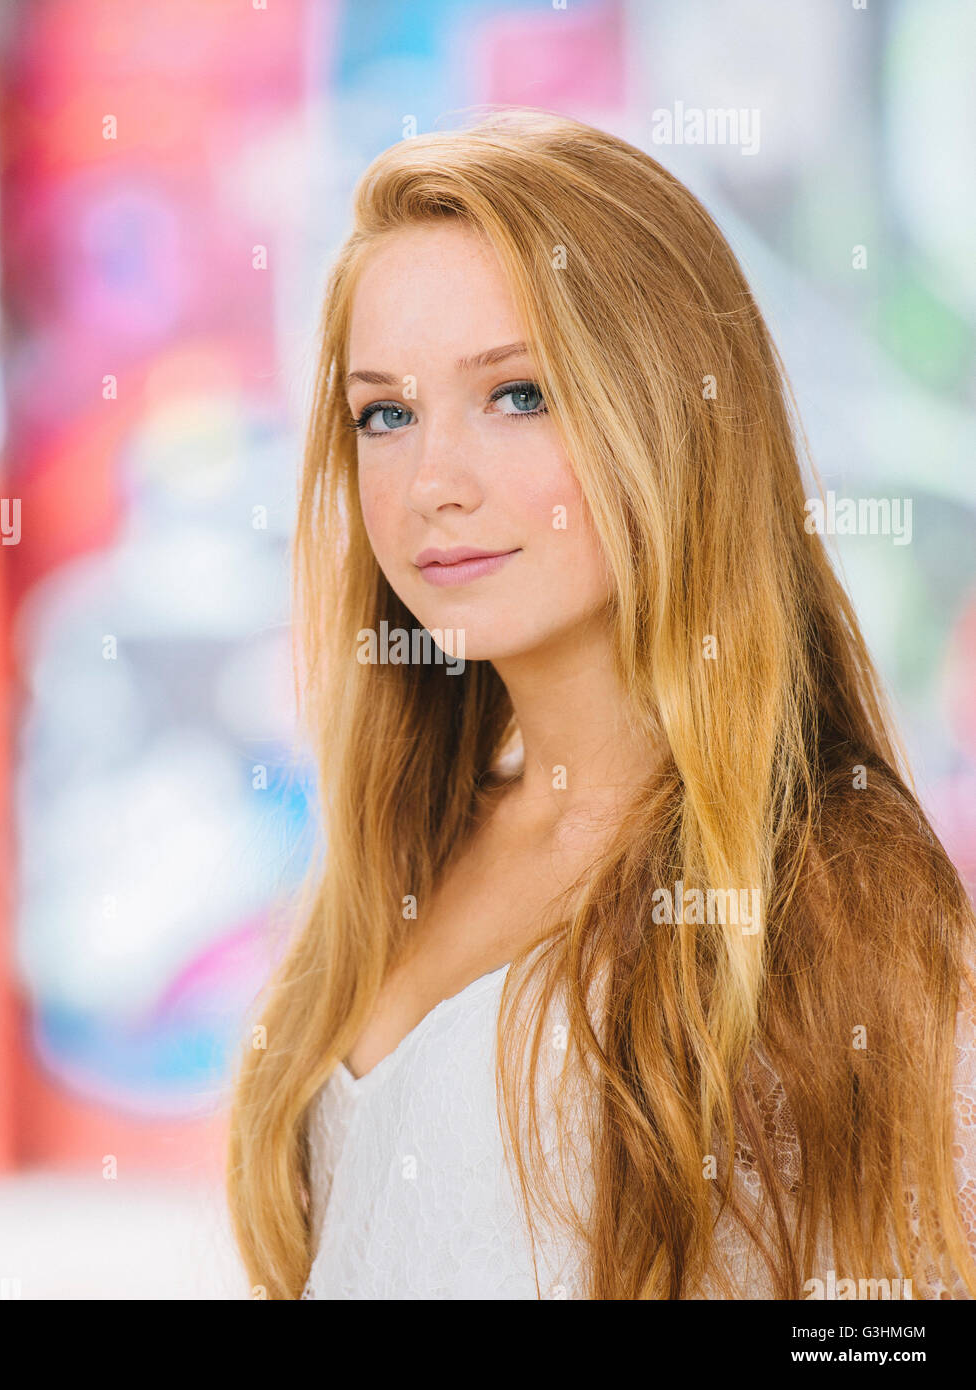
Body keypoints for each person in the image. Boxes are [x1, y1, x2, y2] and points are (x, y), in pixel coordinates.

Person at [225, 109, 976, 1299]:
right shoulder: (396, 853)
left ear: (669, 413)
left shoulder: (834, 896)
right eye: (386, 413)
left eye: (517, 394)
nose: (432, 485)